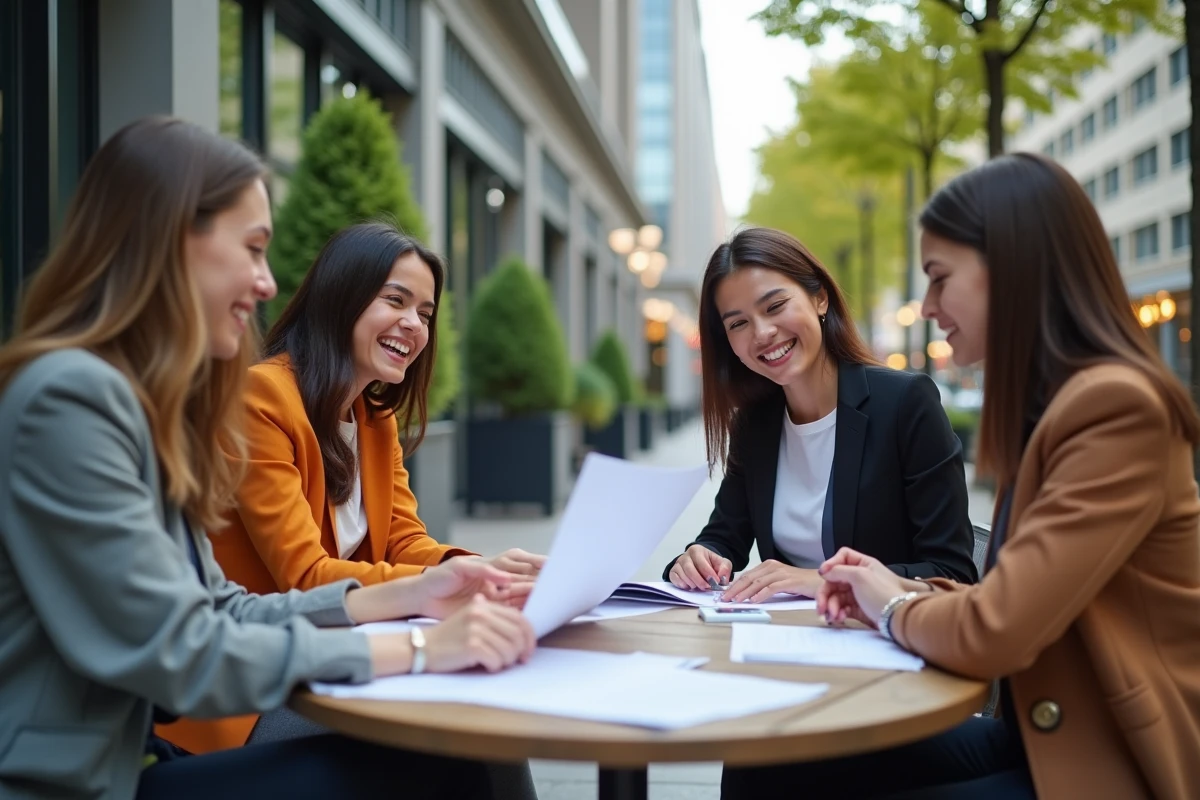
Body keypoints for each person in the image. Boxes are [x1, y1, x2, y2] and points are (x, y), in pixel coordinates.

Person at [0, 116, 536, 800]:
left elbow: (224, 606)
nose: (264, 283)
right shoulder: (69, 400)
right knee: (454, 755)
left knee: (471, 748)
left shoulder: (141, 404)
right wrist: (423, 647)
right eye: (253, 250)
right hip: (77, 782)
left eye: (425, 311)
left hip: (138, 759)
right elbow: (183, 649)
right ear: (170, 239)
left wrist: (422, 589)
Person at [727, 154, 1200, 799]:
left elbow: (997, 628)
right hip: (1036, 733)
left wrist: (890, 606)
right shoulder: (1056, 405)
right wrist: (882, 589)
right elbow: (1003, 598)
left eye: (940, 278)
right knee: (768, 755)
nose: (926, 307)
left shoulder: (1113, 408)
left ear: (1011, 271)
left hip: (1111, 754)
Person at [161, 222, 544, 756]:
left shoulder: (372, 418)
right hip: (256, 694)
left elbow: (405, 543)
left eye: (426, 314)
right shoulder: (260, 399)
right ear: (342, 298)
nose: (413, 324)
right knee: (465, 729)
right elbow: (305, 576)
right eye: (396, 300)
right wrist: (442, 589)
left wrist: (486, 570)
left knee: (483, 709)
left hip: (334, 658)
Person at [664, 227, 976, 601]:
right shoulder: (754, 423)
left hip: (884, 642)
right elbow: (724, 536)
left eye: (775, 306)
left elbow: (952, 574)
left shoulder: (906, 403)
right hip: (784, 642)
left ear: (820, 299)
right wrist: (698, 558)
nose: (762, 333)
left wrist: (827, 581)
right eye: (738, 323)